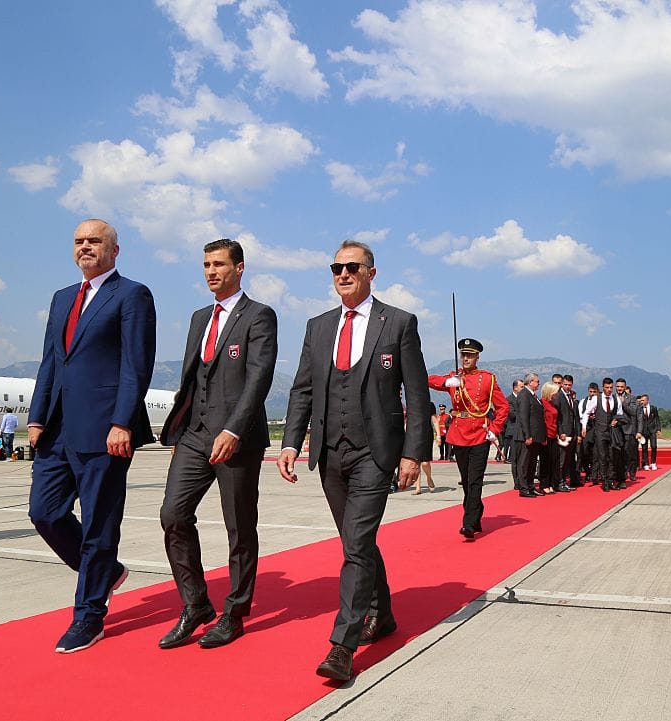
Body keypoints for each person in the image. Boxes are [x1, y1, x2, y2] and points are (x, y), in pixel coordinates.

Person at [276, 240, 431, 683]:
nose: (342, 274)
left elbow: (416, 395)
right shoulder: (318, 326)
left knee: (358, 543)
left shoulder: (398, 323)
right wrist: (291, 442)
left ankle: (342, 646)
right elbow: (303, 389)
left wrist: (412, 452)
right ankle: (381, 615)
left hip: (375, 453)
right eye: (336, 268)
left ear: (371, 273)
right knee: (354, 542)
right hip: (329, 451)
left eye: (351, 267)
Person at [27, 219, 156, 653]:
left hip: (105, 429)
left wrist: (123, 421)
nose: (86, 247)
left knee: (100, 522)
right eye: (79, 241)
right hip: (58, 428)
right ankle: (107, 571)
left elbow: (136, 364)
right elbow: (51, 361)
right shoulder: (63, 298)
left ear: (114, 250)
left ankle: (89, 616)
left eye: (95, 241)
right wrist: (37, 416)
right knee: (44, 513)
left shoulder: (132, 294)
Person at [157, 238, 278, 650]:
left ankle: (235, 611)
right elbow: (193, 378)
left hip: (236, 439)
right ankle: (196, 605)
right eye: (206, 265)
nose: (210, 271)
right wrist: (180, 429)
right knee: (172, 514)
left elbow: (259, 378)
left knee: (239, 527)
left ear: (239, 268)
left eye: (219, 264)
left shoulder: (259, 316)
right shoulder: (197, 318)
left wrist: (234, 429)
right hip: (194, 435)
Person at [429, 338, 509, 536]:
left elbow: (503, 407)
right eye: (463, 355)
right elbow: (427, 380)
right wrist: (447, 382)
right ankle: (477, 512)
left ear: (477, 357)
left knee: (475, 480)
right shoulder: (454, 378)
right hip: (459, 434)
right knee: (466, 480)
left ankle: (469, 523)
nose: (465, 358)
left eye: (470, 355)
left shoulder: (488, 379)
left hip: (480, 433)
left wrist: (495, 429)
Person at [515, 372, 545, 497]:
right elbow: (523, 416)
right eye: (537, 381)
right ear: (530, 382)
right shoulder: (524, 395)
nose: (538, 383)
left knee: (532, 462)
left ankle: (530, 485)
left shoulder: (533, 396)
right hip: (526, 436)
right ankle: (524, 487)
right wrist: (527, 435)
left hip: (535, 436)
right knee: (525, 463)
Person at [538, 381, 561, 494]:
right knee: (546, 461)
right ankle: (544, 484)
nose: (557, 395)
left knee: (554, 460)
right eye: (555, 392)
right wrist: (543, 437)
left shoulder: (552, 403)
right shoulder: (542, 403)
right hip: (546, 435)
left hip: (553, 434)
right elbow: (542, 421)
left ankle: (552, 483)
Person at [413, 403, 437, 494]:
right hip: (414, 434)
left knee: (425, 463)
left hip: (427, 434)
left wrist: (438, 435)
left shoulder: (430, 405)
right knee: (416, 462)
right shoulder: (412, 403)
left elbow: (434, 421)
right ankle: (417, 487)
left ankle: (429, 478)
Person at [638, 395, 661, 470]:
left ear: (647, 400)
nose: (641, 402)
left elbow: (657, 419)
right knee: (644, 448)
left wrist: (658, 429)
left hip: (652, 430)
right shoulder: (639, 409)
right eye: (641, 400)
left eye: (643, 400)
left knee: (654, 446)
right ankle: (646, 463)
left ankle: (653, 463)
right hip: (643, 431)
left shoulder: (653, 408)